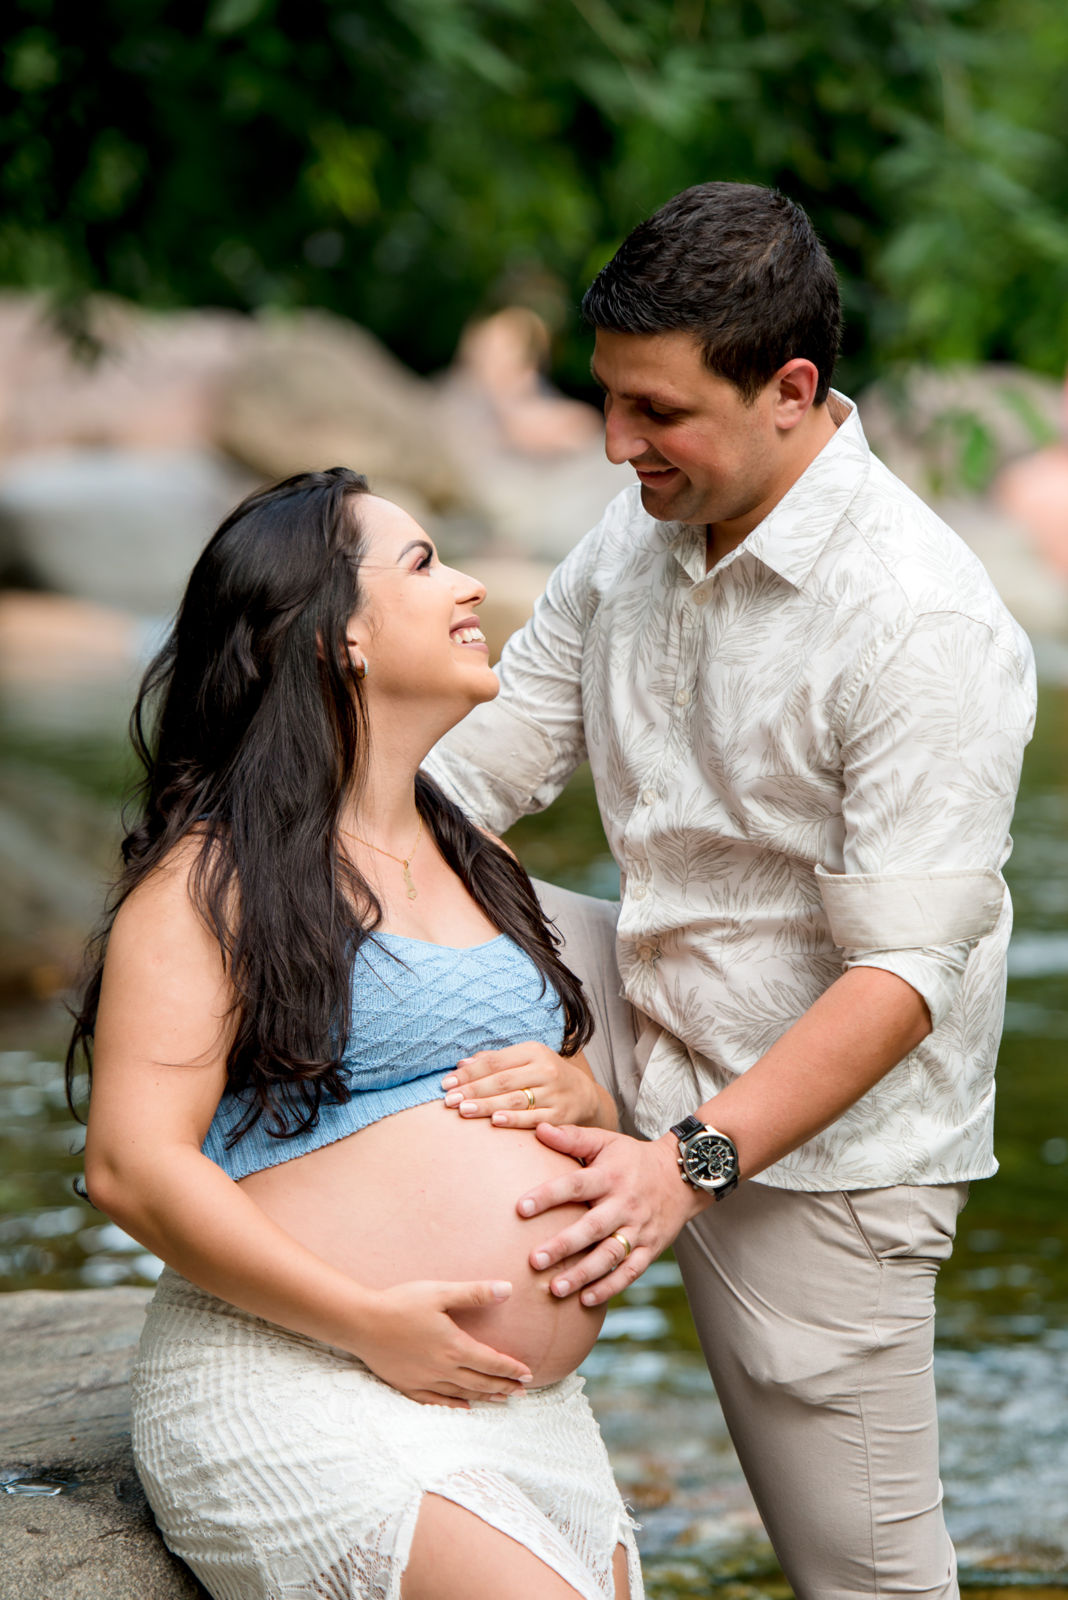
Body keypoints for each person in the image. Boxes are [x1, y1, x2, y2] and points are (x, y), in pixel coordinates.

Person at [424, 182, 1038, 1598]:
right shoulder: (638, 528)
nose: (615, 444)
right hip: (638, 989)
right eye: (609, 401)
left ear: (792, 390)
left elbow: (900, 986)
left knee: (863, 1582)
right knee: (358, 905)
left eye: (658, 413)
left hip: (828, 1148)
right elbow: (475, 773)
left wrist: (679, 1163)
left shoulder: (923, 624)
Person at [65, 467, 643, 1600]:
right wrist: (370, 1323)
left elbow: (553, 1078)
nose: (471, 583)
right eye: (425, 564)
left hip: (515, 1407)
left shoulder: (481, 856)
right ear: (338, 639)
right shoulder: (209, 884)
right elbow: (132, 1165)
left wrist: (588, 1102)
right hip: (302, 1372)